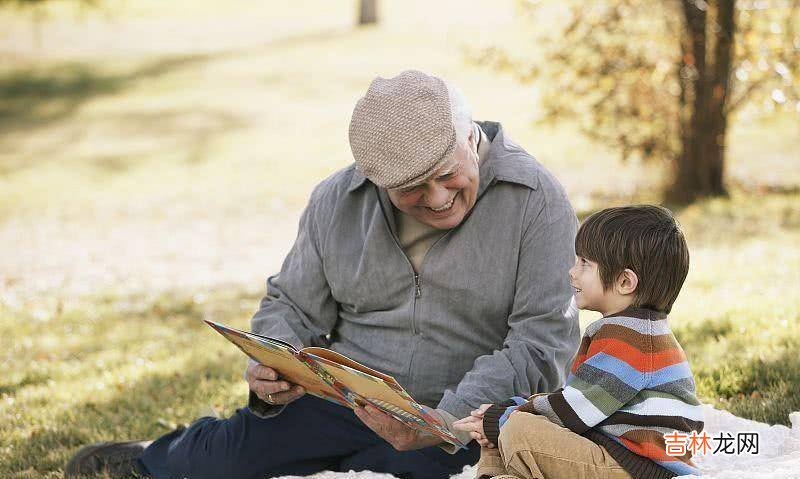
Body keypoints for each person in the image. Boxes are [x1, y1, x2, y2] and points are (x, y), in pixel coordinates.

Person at [66, 70, 580, 479]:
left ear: (470, 138)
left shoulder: (537, 201)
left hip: (461, 418)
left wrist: (444, 422)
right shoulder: (336, 199)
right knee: (215, 463)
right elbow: (291, 304)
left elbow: (540, 344)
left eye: (447, 175)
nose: (438, 198)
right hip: (346, 403)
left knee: (406, 471)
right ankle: (161, 450)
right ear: (375, 180)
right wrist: (272, 361)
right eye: (411, 190)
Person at [453, 205, 705, 479]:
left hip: (634, 468)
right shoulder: (630, 330)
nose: (572, 272)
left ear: (624, 281)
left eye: (585, 263)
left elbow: (573, 411)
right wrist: (502, 416)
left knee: (516, 427)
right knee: (501, 430)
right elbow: (575, 402)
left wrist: (505, 416)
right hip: (612, 453)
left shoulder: (633, 340)